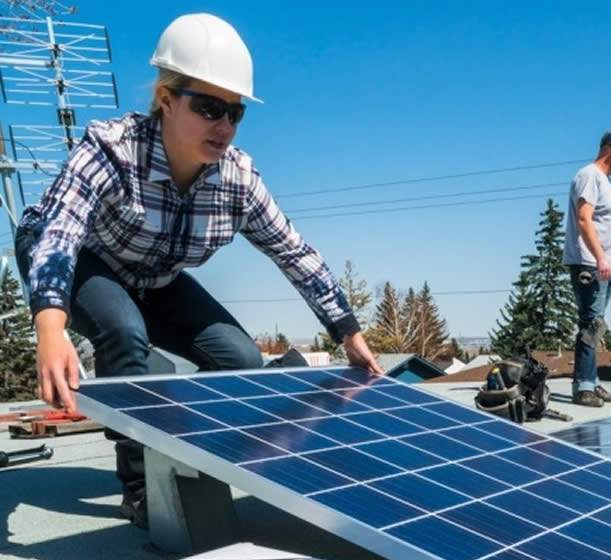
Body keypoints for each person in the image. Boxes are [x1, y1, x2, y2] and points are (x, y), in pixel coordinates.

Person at [14, 13, 382, 528]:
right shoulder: (113, 150)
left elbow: (293, 252)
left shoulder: (237, 180)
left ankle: (193, 452)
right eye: (209, 108)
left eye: (235, 113)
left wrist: (347, 332)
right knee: (122, 330)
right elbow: (61, 233)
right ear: (166, 99)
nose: (224, 126)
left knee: (241, 356)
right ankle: (143, 485)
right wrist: (49, 326)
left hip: (153, 277)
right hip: (76, 257)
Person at [563, 129, 611, 407]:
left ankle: (592, 383)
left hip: (604, 268)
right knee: (591, 324)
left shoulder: (606, 182)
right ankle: (583, 386)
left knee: (596, 327)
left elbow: (604, 227)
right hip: (589, 264)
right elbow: (584, 219)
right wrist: (600, 259)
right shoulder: (589, 176)